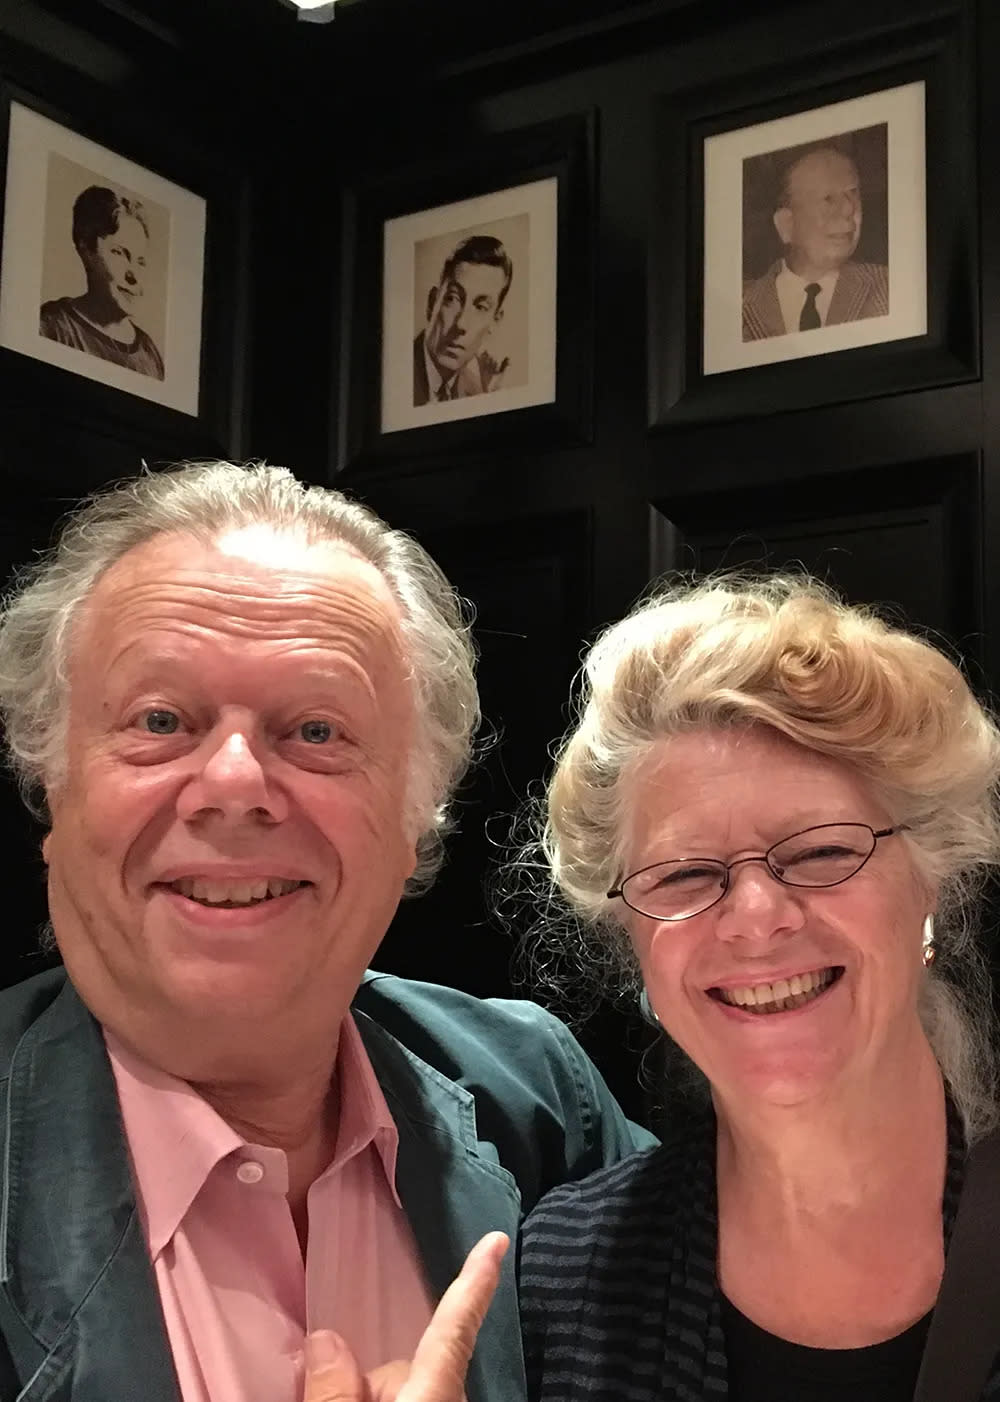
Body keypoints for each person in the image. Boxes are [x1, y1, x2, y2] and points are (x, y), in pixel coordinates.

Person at [0, 460, 652, 1402]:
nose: (232, 784)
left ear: (417, 813)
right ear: (51, 786)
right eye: (160, 719)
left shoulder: (538, 1103)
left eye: (315, 732)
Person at [519, 574, 1000, 1401]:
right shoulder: (558, 1279)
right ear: (633, 942)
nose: (753, 918)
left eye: (820, 853)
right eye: (683, 874)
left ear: (931, 882)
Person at [742, 146, 889, 341]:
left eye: (853, 194)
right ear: (787, 224)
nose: (849, 209)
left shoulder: (889, 287)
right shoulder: (740, 307)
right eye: (828, 199)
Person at [40, 184, 165, 379]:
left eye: (140, 262)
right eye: (119, 253)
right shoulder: (53, 325)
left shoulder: (149, 354)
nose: (133, 276)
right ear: (86, 249)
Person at [413, 235, 511, 405]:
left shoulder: (478, 392)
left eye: (481, 307)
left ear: (495, 320)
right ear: (432, 302)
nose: (461, 324)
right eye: (453, 298)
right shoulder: (397, 375)